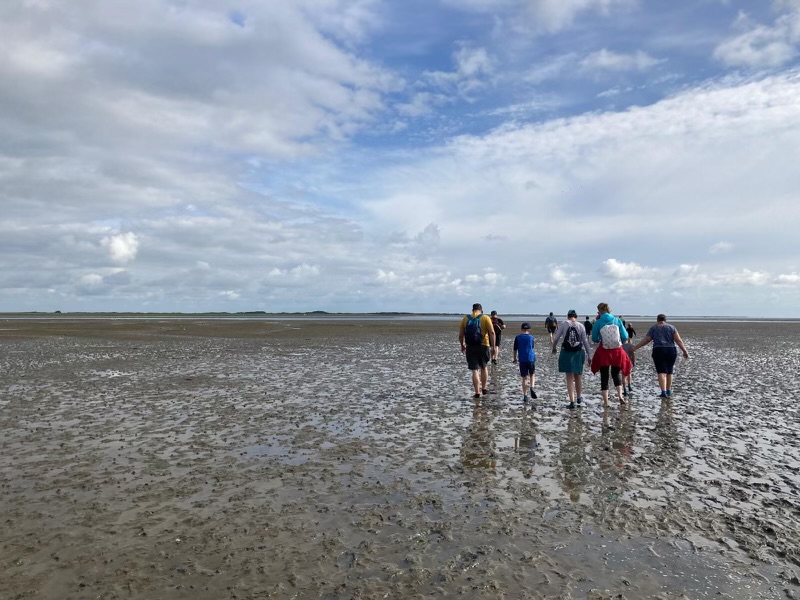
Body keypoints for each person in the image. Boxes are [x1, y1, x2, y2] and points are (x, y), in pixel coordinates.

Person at [632, 314, 689, 397]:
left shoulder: (654, 328)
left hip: (658, 350)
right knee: (670, 371)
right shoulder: (672, 328)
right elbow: (678, 340)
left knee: (661, 371)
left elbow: (647, 340)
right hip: (671, 350)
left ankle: (663, 392)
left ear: (657, 320)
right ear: (665, 320)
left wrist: (635, 347)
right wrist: (685, 351)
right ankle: (668, 390)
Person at [590, 302, 632, 407]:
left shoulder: (598, 322)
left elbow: (594, 338)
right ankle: (620, 397)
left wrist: (600, 338)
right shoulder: (617, 320)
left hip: (604, 351)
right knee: (616, 374)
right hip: (617, 351)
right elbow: (625, 335)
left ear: (599, 311)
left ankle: (605, 401)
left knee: (604, 376)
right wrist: (619, 341)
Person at [551, 309, 591, 410]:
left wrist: (554, 347)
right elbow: (585, 341)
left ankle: (572, 401)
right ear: (576, 317)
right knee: (578, 376)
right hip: (578, 352)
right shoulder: (581, 325)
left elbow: (556, 338)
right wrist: (589, 355)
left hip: (567, 352)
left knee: (569, 377)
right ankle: (579, 397)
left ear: (568, 316)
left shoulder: (564, 324)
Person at [459, 303, 496, 399]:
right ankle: (484, 387)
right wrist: (493, 347)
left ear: (472, 309)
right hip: (484, 345)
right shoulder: (485, 318)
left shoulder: (466, 318)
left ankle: (477, 392)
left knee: (474, 370)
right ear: (481, 310)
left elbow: (461, 334)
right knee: (484, 367)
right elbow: (492, 332)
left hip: (470, 346)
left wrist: (462, 345)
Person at [512, 322, 537, 403]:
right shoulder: (531, 337)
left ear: (521, 329)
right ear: (529, 329)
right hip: (531, 358)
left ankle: (525, 395)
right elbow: (532, 347)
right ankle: (532, 387)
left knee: (524, 378)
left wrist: (515, 358)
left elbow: (515, 349)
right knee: (532, 374)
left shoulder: (518, 337)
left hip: (522, 359)